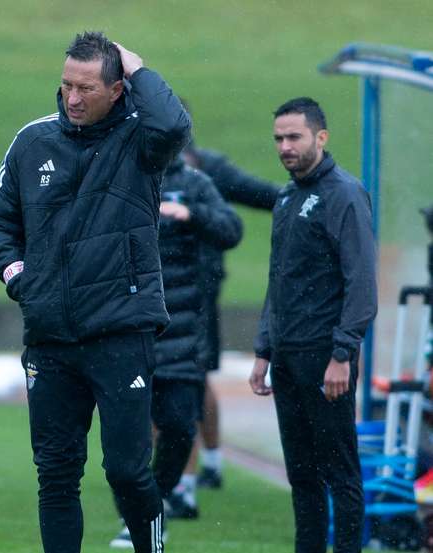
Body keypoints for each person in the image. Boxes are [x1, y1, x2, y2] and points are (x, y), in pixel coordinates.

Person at [0, 31, 190, 553]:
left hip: (121, 331)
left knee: (126, 471)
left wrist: (139, 67)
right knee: (55, 474)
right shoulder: (32, 142)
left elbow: (174, 124)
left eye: (86, 89)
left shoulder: (142, 143)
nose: (73, 99)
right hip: (50, 335)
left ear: (118, 90)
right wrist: (18, 278)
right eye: (66, 85)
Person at [249, 97, 377, 553]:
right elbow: (278, 278)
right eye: (279, 139)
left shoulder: (344, 193)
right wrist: (263, 349)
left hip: (326, 359)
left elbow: (360, 280)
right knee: (301, 475)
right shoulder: (287, 195)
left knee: (339, 473)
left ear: (321, 137)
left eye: (294, 137)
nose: (285, 147)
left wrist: (343, 353)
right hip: (286, 357)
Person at [110, 154, 242, 546]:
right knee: (128, 439)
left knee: (180, 428)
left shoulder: (197, 184)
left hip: (184, 337)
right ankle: (138, 516)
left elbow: (231, 229)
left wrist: (191, 213)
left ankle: (158, 499)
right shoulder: (119, 177)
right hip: (128, 334)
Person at [180, 101, 281, 492]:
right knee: (190, 375)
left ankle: (196, 472)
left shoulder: (207, 170)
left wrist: (304, 200)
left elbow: (261, 194)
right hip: (169, 286)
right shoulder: (144, 163)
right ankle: (205, 464)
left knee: (188, 376)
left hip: (199, 287)